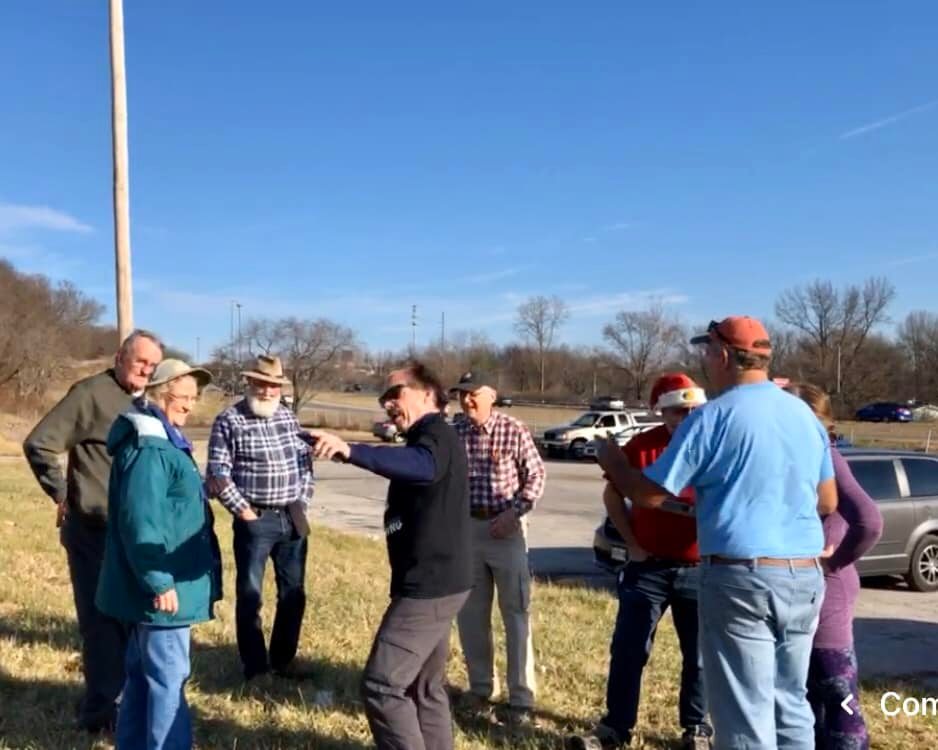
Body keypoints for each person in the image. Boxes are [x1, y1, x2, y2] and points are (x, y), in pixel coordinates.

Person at [596, 316, 838, 750]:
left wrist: (614, 462)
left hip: (741, 578)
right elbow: (827, 501)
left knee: (744, 715)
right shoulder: (803, 414)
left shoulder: (713, 417)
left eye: (707, 351)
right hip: (804, 576)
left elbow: (648, 494)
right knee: (790, 703)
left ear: (723, 355)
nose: (705, 361)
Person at [311, 361, 472, 750]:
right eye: (383, 397)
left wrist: (350, 450)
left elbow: (422, 466)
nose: (387, 404)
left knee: (382, 685)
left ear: (427, 394)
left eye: (394, 394)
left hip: (430, 587)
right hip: (439, 580)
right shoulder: (428, 436)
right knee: (424, 686)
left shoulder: (435, 436)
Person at [22, 329, 164, 732]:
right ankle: (99, 716)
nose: (146, 370)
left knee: (129, 624)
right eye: (140, 362)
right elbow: (40, 443)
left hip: (131, 534)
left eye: (153, 366)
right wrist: (61, 494)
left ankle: (126, 705)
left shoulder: (144, 401)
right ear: (120, 357)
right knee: (101, 625)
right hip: (93, 530)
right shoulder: (90, 394)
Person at [569, 373, 711, 750]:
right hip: (647, 568)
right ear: (660, 411)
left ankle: (697, 729)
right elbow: (613, 494)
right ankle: (615, 727)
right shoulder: (643, 446)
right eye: (678, 410)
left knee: (699, 655)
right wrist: (632, 544)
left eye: (694, 410)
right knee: (629, 650)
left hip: (699, 569)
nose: (688, 417)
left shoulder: (711, 445)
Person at [95, 359, 219, 750]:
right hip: (165, 587)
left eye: (194, 397)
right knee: (168, 680)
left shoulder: (162, 440)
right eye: (183, 396)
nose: (190, 405)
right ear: (160, 395)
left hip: (161, 584)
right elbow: (140, 521)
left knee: (143, 676)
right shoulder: (150, 449)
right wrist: (159, 580)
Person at [785, 382, 883, 750]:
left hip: (827, 594)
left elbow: (869, 522)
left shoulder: (827, 457)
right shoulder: (791, 458)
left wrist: (833, 562)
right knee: (806, 702)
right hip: (797, 593)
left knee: (838, 699)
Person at [206, 355, 314, 680]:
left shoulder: (288, 417)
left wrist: (303, 500)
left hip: (292, 515)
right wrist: (244, 511)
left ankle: (283, 660)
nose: (267, 391)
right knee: (250, 595)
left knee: (293, 593)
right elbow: (218, 473)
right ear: (249, 383)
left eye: (273, 386)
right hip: (255, 518)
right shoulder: (229, 420)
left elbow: (305, 465)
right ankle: (254, 667)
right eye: (261, 384)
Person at [448, 370, 545, 725]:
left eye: (473, 393)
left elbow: (536, 476)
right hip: (466, 531)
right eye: (462, 394)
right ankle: (480, 689)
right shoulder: (454, 432)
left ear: (491, 395)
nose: (466, 400)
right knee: (471, 615)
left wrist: (514, 512)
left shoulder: (512, 429)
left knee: (515, 613)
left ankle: (521, 698)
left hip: (506, 530)